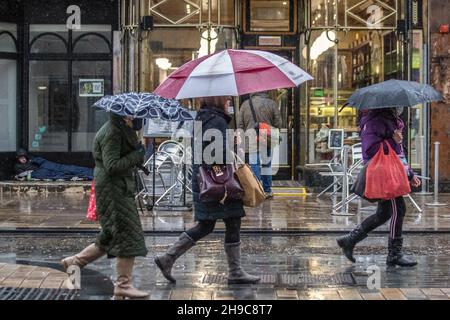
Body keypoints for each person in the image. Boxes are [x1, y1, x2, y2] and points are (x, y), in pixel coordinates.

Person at [154, 96, 260, 285]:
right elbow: (214, 154)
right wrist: (235, 147)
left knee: (210, 224)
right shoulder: (216, 121)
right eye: (226, 99)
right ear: (218, 101)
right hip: (220, 185)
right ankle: (234, 272)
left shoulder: (203, 118)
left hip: (206, 182)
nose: (229, 101)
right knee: (225, 222)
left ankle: (168, 258)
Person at [61, 113, 149, 299]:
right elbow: (112, 165)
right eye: (133, 112)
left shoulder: (121, 129)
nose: (136, 115)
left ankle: (74, 262)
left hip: (118, 188)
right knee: (127, 234)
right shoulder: (112, 132)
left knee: (111, 235)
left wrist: (136, 151)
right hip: (113, 190)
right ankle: (123, 285)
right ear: (124, 113)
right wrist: (136, 154)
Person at [336, 107, 421, 267]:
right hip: (384, 172)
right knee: (399, 209)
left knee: (384, 213)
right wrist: (392, 140)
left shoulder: (392, 121)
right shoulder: (374, 121)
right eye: (396, 104)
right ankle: (394, 254)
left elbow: (399, 154)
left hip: (390, 171)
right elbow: (370, 150)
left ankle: (349, 240)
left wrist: (409, 174)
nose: (400, 108)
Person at [237, 91, 281, 198]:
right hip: (266, 138)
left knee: (254, 165)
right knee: (266, 165)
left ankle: (257, 191)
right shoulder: (272, 104)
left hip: (251, 139)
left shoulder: (245, 104)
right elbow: (278, 123)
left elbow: (240, 124)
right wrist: (269, 128)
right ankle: (267, 190)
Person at [14, 149, 93, 181]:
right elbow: (25, 174)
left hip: (48, 166)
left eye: (24, 157)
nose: (23, 159)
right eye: (21, 158)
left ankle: (91, 172)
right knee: (66, 174)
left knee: (70, 169)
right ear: (18, 159)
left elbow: (42, 161)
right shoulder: (18, 166)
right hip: (44, 171)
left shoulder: (32, 160)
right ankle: (90, 174)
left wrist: (33, 160)